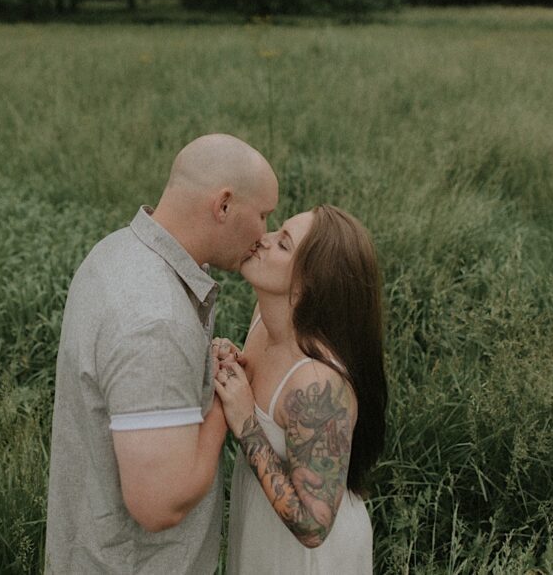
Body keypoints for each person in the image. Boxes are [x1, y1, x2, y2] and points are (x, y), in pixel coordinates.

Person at [45, 134, 279, 574]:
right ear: (224, 205)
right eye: (263, 214)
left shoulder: (117, 251)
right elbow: (160, 505)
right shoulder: (156, 322)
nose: (265, 234)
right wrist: (219, 402)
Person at [211, 205, 387, 574]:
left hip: (308, 560)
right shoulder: (264, 318)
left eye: (283, 244)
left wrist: (246, 423)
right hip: (261, 527)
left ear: (309, 283)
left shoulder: (317, 385)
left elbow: (313, 526)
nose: (263, 239)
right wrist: (237, 367)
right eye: (278, 231)